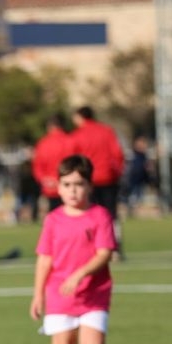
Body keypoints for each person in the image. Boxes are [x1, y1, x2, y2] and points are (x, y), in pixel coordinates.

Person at [28, 155, 117, 344]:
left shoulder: (99, 215)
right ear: (59, 186)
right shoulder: (53, 219)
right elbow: (45, 258)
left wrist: (80, 274)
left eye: (78, 184)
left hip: (93, 292)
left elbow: (104, 253)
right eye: (66, 184)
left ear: (89, 185)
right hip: (60, 292)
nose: (72, 190)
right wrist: (38, 294)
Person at [69, 106, 126, 256]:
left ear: (80, 117)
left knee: (88, 213)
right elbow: (118, 154)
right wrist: (117, 172)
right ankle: (114, 248)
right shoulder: (107, 131)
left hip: (88, 180)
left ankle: (92, 248)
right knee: (111, 214)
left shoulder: (77, 135)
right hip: (108, 178)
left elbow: (73, 159)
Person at [32, 113, 74, 215]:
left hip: (51, 185)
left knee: (55, 214)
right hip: (69, 184)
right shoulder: (71, 141)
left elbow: (37, 166)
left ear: (49, 126)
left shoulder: (43, 143)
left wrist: (43, 179)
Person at [124, 135, 152, 218]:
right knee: (132, 197)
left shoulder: (144, 155)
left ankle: (133, 211)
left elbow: (146, 167)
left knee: (138, 197)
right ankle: (130, 210)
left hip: (141, 180)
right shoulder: (132, 154)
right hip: (132, 180)